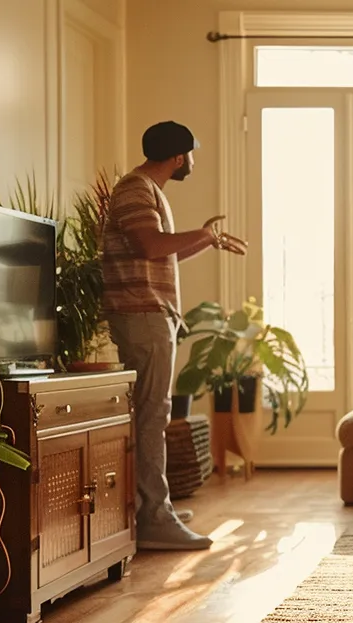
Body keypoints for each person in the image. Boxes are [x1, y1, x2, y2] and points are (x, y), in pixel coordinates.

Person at [101, 121, 246, 550]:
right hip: (142, 314)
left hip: (151, 315)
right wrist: (202, 233)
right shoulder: (136, 189)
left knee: (152, 413)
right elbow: (150, 245)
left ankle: (152, 506)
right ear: (179, 157)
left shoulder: (148, 191)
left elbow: (163, 249)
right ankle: (154, 517)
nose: (193, 162)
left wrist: (207, 240)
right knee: (151, 415)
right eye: (192, 154)